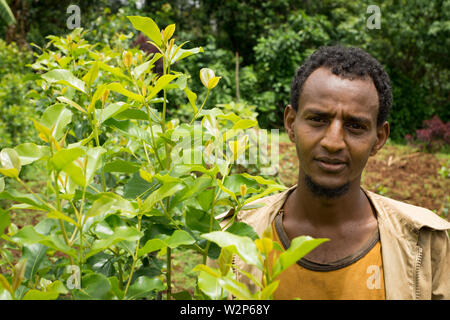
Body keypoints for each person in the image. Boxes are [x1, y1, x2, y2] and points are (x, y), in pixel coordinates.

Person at [218, 46, 450, 300]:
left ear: (379, 139)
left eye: (355, 126)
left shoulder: (427, 244)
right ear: (291, 124)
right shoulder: (233, 235)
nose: (333, 142)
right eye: (318, 119)